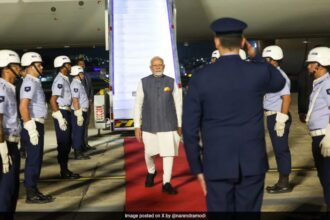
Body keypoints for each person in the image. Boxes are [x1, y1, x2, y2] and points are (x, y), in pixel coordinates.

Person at [182, 17, 286, 211]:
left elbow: (189, 129)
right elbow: (279, 82)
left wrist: (197, 168)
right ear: (242, 42)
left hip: (217, 164)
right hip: (252, 164)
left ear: (216, 41)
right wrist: (255, 55)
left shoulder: (201, 78)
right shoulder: (258, 72)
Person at [134, 56, 182, 195]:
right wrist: (137, 126)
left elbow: (178, 105)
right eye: (155, 65)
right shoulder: (143, 82)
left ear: (164, 66)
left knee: (169, 154)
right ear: (151, 67)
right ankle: (151, 171)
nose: (158, 67)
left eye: (160, 65)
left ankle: (166, 182)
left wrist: (179, 124)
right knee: (149, 153)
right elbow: (138, 104)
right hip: (149, 125)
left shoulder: (171, 82)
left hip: (169, 124)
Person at [20, 52, 53, 203]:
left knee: (36, 158)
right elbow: (23, 106)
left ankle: (33, 189)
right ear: (31, 66)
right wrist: (31, 128)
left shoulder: (34, 81)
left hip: (36, 123)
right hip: (32, 124)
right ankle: (31, 193)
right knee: (33, 159)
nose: (41, 66)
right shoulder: (29, 82)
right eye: (39, 64)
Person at [262, 45, 292, 193]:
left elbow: (286, 98)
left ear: (275, 60)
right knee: (278, 149)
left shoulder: (280, 77)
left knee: (281, 150)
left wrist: (281, 119)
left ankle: (284, 183)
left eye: (267, 59)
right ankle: (282, 181)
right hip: (272, 115)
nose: (265, 62)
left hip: (278, 116)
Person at [305, 47, 330, 211]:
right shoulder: (319, 83)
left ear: (319, 65)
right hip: (318, 137)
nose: (308, 66)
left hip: (324, 137)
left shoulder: (327, 84)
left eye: (310, 63)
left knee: (328, 178)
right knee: (323, 176)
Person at [50, 56, 81, 178]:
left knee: (67, 142)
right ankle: (64, 171)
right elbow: (53, 100)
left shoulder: (65, 79)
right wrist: (59, 117)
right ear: (62, 66)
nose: (70, 66)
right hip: (61, 112)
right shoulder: (60, 80)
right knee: (64, 143)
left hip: (66, 111)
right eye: (68, 64)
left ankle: (65, 169)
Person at [0, 50, 22, 213]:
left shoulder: (10, 87)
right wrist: (2, 147)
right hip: (5, 143)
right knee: (7, 191)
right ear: (7, 67)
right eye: (17, 65)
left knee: (12, 189)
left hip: (11, 141)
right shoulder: (2, 88)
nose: (20, 69)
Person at [70, 65, 90, 160]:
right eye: (81, 73)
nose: (83, 75)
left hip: (82, 111)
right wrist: (78, 114)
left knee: (80, 132)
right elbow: (75, 100)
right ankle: (77, 153)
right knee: (78, 132)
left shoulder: (79, 83)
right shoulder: (75, 84)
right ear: (77, 74)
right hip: (79, 112)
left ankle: (80, 151)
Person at [77, 58, 95, 152]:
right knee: (80, 125)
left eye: (83, 64)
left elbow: (91, 88)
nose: (82, 65)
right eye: (80, 64)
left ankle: (85, 143)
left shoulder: (87, 75)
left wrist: (91, 99)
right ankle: (79, 145)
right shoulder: (74, 77)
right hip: (79, 105)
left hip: (88, 104)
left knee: (86, 124)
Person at [16, 68, 27, 159]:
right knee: (22, 131)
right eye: (24, 71)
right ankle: (22, 150)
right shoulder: (19, 83)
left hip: (22, 110)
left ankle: (23, 149)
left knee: (23, 130)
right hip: (19, 110)